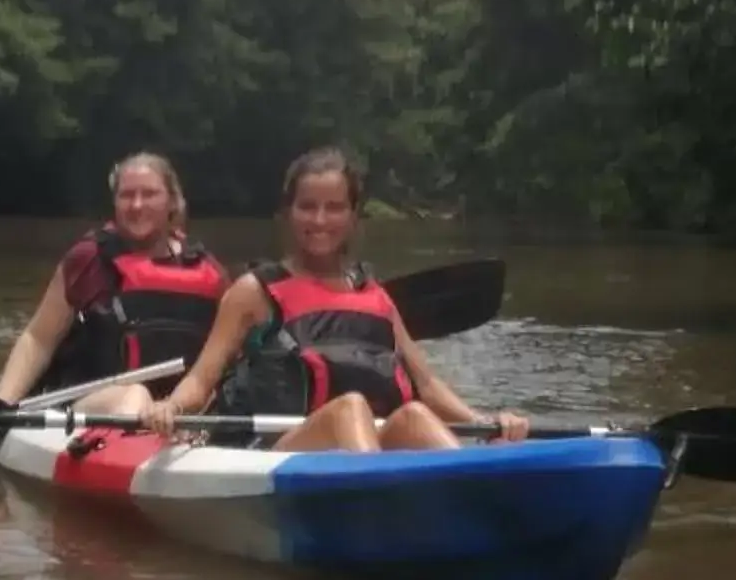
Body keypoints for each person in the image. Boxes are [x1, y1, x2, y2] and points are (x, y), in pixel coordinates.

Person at [144, 147, 528, 452]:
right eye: (308, 207)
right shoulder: (252, 292)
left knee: (414, 414)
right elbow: (201, 377)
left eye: (334, 207)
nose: (320, 220)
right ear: (287, 214)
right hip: (276, 451)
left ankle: (473, 490)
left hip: (360, 452)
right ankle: (379, 498)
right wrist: (172, 407)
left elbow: (426, 385)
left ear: (353, 216)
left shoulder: (373, 293)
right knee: (349, 408)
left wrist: (485, 423)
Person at [0, 153, 227, 418]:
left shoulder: (208, 270)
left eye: (149, 194)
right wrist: (1, 405)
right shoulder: (88, 259)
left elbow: (227, 357)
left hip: (178, 410)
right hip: (97, 404)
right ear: (115, 202)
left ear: (172, 201)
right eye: (127, 195)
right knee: (134, 395)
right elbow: (38, 340)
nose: (137, 205)